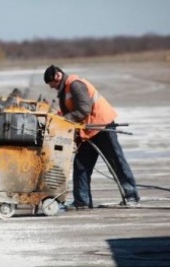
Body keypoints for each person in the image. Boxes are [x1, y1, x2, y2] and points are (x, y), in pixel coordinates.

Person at [43, 65, 140, 210]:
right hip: (88, 131)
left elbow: (84, 109)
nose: (52, 88)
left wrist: (64, 120)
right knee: (81, 165)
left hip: (102, 126)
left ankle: (131, 196)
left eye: (52, 84)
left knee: (116, 162)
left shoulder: (75, 85)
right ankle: (82, 201)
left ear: (57, 76)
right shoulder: (65, 89)